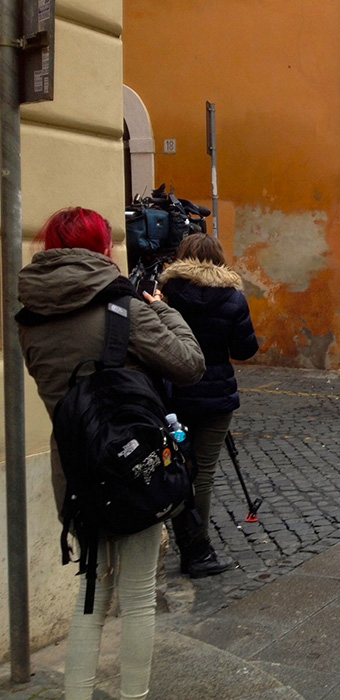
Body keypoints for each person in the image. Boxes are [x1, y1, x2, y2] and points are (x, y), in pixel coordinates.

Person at [16, 207, 205, 700]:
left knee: (90, 593)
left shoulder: (29, 318)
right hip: (134, 467)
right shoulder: (125, 308)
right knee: (138, 596)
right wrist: (160, 306)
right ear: (103, 249)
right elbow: (189, 364)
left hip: (76, 472)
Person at [158, 233, 259, 577]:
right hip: (215, 397)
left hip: (174, 395)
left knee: (176, 468)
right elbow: (244, 350)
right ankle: (197, 550)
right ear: (218, 258)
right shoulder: (232, 298)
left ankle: (186, 539)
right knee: (203, 473)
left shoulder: (167, 295)